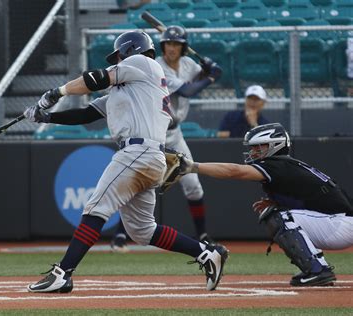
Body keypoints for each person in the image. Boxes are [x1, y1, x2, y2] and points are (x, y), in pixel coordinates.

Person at [23, 30, 229, 293]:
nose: (118, 60)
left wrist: (57, 92)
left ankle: (63, 273)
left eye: (120, 55)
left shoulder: (143, 63)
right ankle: (205, 253)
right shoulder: (132, 91)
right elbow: (86, 114)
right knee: (143, 231)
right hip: (150, 156)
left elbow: (95, 78)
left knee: (95, 208)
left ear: (131, 50)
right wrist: (46, 117)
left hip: (137, 152)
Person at [179, 123, 353, 286]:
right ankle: (315, 268)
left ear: (274, 145)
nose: (253, 152)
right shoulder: (285, 164)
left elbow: (234, 171)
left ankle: (318, 270)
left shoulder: (277, 165)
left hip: (341, 224)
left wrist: (193, 167)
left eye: (258, 147)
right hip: (339, 221)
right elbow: (316, 197)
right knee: (276, 212)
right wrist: (279, 200)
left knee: (279, 217)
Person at [111, 25, 223, 252]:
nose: (172, 48)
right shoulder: (157, 66)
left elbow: (194, 79)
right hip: (153, 132)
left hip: (175, 132)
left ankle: (202, 234)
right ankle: (120, 233)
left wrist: (206, 68)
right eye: (169, 44)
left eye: (177, 44)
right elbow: (187, 91)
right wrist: (211, 77)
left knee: (193, 186)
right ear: (162, 46)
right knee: (137, 183)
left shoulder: (189, 64)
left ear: (183, 47)